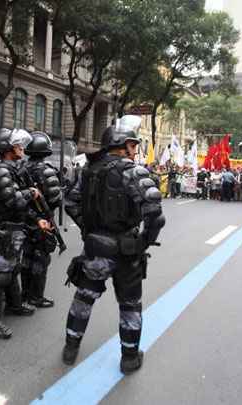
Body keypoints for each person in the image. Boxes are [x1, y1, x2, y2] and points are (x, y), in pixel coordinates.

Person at [62, 116, 165, 373]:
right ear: (124, 144)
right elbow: (156, 215)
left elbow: (72, 203)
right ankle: (129, 358)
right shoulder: (133, 171)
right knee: (130, 305)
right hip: (127, 251)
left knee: (83, 298)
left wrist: (89, 230)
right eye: (133, 144)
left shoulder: (89, 170)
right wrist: (144, 242)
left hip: (96, 248)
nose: (135, 149)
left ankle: (70, 348)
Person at [0, 128, 49, 339]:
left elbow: (20, 205)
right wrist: (31, 192)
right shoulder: (2, 170)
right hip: (6, 230)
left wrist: (37, 219)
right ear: (7, 149)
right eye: (18, 145)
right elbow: (13, 201)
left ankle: (14, 305)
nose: (22, 148)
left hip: (15, 227)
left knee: (12, 269)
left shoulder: (11, 169)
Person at [22, 131, 62, 308]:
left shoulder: (21, 168)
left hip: (25, 220)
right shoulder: (47, 171)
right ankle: (36, 296)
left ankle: (25, 293)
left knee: (27, 257)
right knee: (41, 258)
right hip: (42, 221)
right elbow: (55, 199)